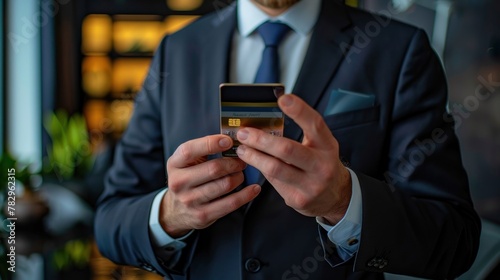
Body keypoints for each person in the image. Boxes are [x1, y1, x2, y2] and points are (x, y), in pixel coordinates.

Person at [94, 0, 481, 279]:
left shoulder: (397, 50)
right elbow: (110, 223)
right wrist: (171, 214)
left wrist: (345, 202)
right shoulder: (176, 50)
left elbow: (454, 242)